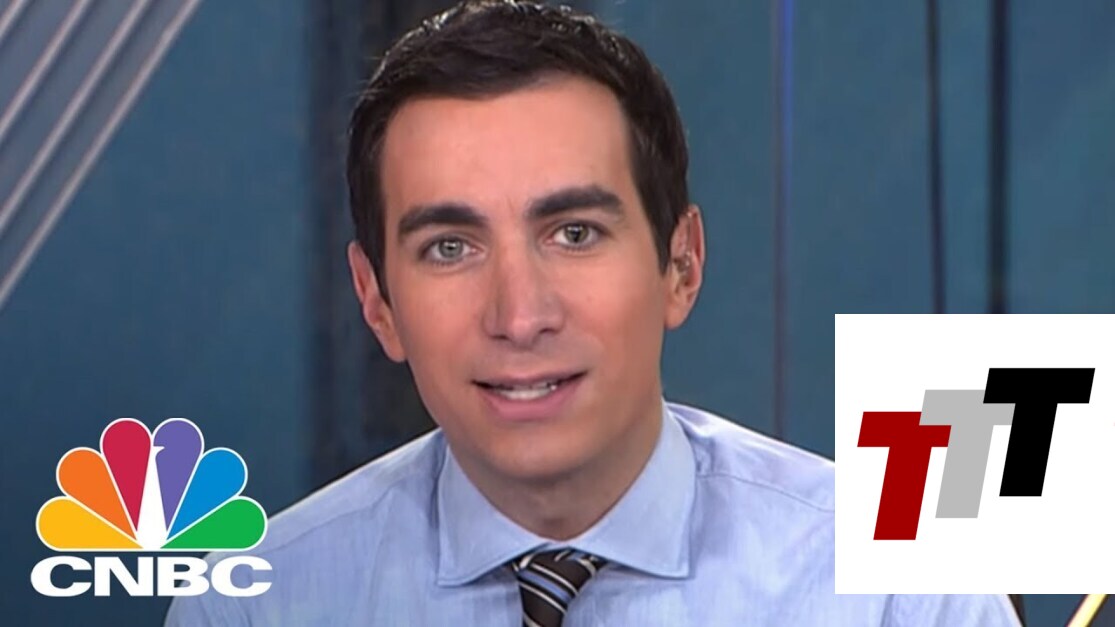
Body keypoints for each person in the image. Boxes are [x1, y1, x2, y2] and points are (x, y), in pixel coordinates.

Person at [167, 1, 1022, 624]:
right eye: (450, 247)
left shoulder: (900, 592)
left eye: (573, 233)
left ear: (680, 265)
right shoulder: (256, 604)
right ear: (376, 302)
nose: (519, 315)